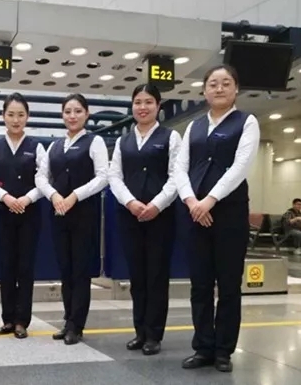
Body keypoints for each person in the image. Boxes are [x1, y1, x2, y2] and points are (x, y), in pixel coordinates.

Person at [174, 65, 260, 373]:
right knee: (199, 285)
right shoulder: (194, 126)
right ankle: (203, 347)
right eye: (213, 83)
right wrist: (191, 201)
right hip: (195, 214)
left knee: (228, 285)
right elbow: (180, 168)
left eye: (226, 83)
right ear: (204, 90)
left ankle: (224, 350)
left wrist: (209, 200)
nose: (219, 88)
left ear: (236, 89)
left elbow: (240, 167)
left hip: (229, 214)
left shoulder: (246, 122)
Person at [108, 83, 181, 355]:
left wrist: (157, 204)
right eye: (138, 102)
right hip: (130, 216)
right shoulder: (123, 141)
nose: (142, 107)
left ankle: (154, 334)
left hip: (161, 217)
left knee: (157, 276)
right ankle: (140, 331)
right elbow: (114, 176)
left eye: (148, 102)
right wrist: (130, 202)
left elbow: (176, 176)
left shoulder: (171, 137)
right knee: (137, 276)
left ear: (158, 106)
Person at [35, 93, 108, 345]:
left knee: (80, 271)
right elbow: (41, 176)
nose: (72, 116)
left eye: (78, 111)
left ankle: (77, 325)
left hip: (84, 214)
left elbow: (102, 176)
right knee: (65, 270)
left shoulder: (95, 141)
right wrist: (54, 195)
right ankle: (68, 320)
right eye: (68, 111)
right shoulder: (55, 146)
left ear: (86, 114)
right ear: (62, 115)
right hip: (58, 214)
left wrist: (75, 195)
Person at [0, 92, 45, 339]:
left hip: (30, 214)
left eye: (20, 115)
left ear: (27, 117)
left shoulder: (36, 146)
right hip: (2, 213)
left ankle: (22, 320)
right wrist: (6, 197)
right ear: (3, 116)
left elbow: (44, 179)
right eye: (11, 114)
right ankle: (8, 318)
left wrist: (26, 199)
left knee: (25, 267)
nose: (16, 120)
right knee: (6, 266)